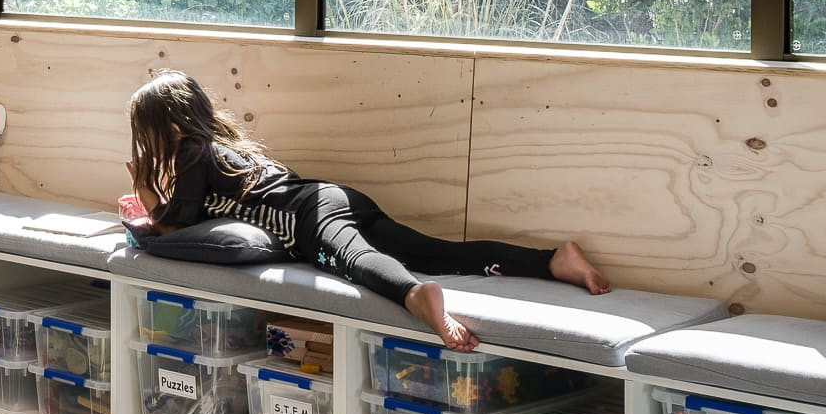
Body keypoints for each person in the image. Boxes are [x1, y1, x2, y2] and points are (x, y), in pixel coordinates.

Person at [125, 70, 609, 351]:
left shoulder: (191, 150)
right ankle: (550, 260)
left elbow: (177, 223)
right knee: (439, 251)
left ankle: (417, 297)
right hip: (334, 197)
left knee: (354, 261)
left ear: (167, 127)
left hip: (305, 218)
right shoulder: (232, 148)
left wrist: (145, 189)